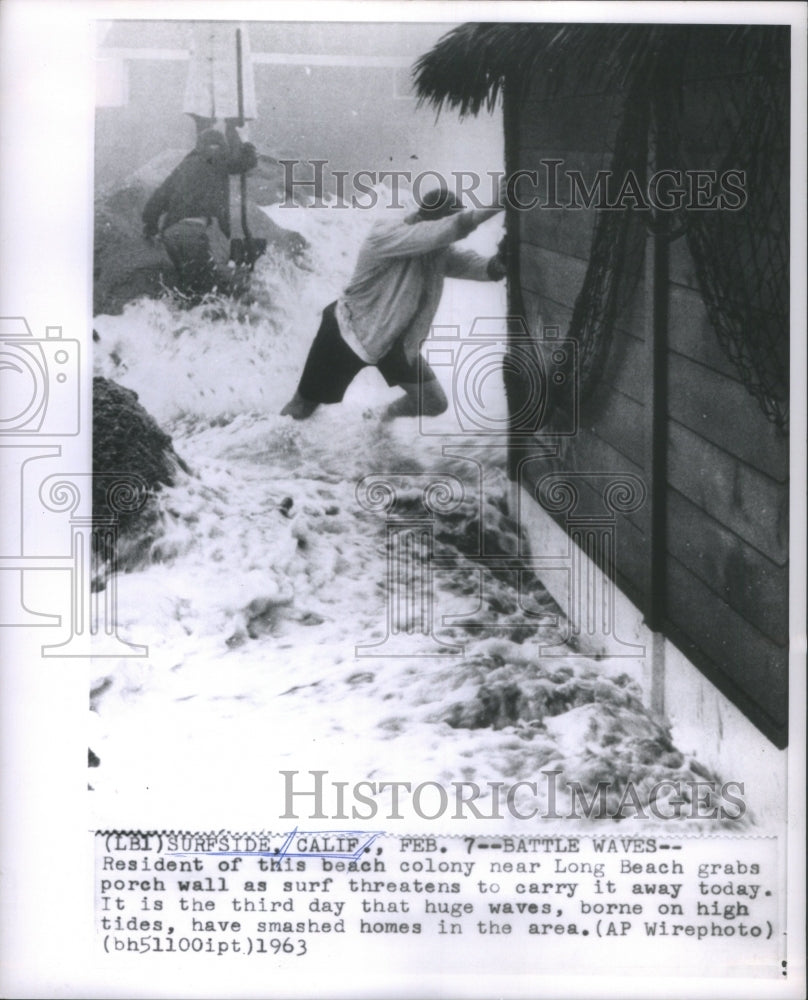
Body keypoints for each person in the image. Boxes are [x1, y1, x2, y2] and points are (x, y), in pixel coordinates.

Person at [280, 182, 507, 422]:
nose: (445, 240)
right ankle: (253, 442)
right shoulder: (386, 234)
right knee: (301, 409)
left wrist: (501, 262)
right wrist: (493, 207)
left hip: (394, 345)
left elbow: (479, 267)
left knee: (433, 403)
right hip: (347, 332)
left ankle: (379, 417)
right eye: (441, 228)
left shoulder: (437, 251)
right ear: (422, 219)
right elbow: (444, 230)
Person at [142, 125, 257, 301]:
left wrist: (150, 226)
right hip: (196, 234)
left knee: (187, 288)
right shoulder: (219, 159)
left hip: (171, 234)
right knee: (211, 292)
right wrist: (246, 141)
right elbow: (248, 162)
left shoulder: (184, 166)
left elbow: (157, 199)